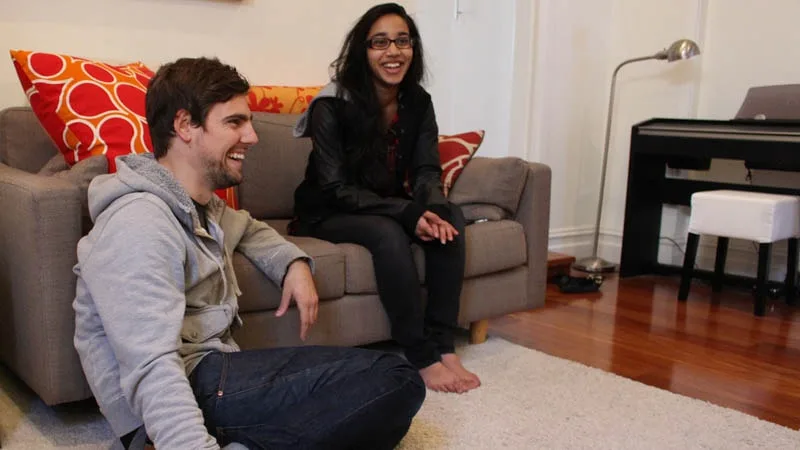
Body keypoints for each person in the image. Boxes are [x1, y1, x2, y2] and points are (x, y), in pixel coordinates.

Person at [72, 56, 425, 450]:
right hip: (188, 385)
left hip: (212, 377)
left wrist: (292, 263)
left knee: (374, 415)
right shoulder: (139, 222)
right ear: (185, 125)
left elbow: (249, 228)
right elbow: (151, 364)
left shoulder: (201, 206)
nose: (252, 136)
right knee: (395, 379)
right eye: (234, 122)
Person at [291, 3, 481, 394]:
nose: (393, 52)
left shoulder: (419, 101)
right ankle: (418, 352)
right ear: (362, 50)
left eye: (402, 41)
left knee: (452, 220)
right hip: (327, 210)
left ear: (413, 48)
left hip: (384, 204)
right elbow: (334, 187)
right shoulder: (331, 104)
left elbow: (427, 169)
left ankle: (442, 342)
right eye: (379, 42)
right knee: (388, 233)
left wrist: (433, 208)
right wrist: (407, 212)